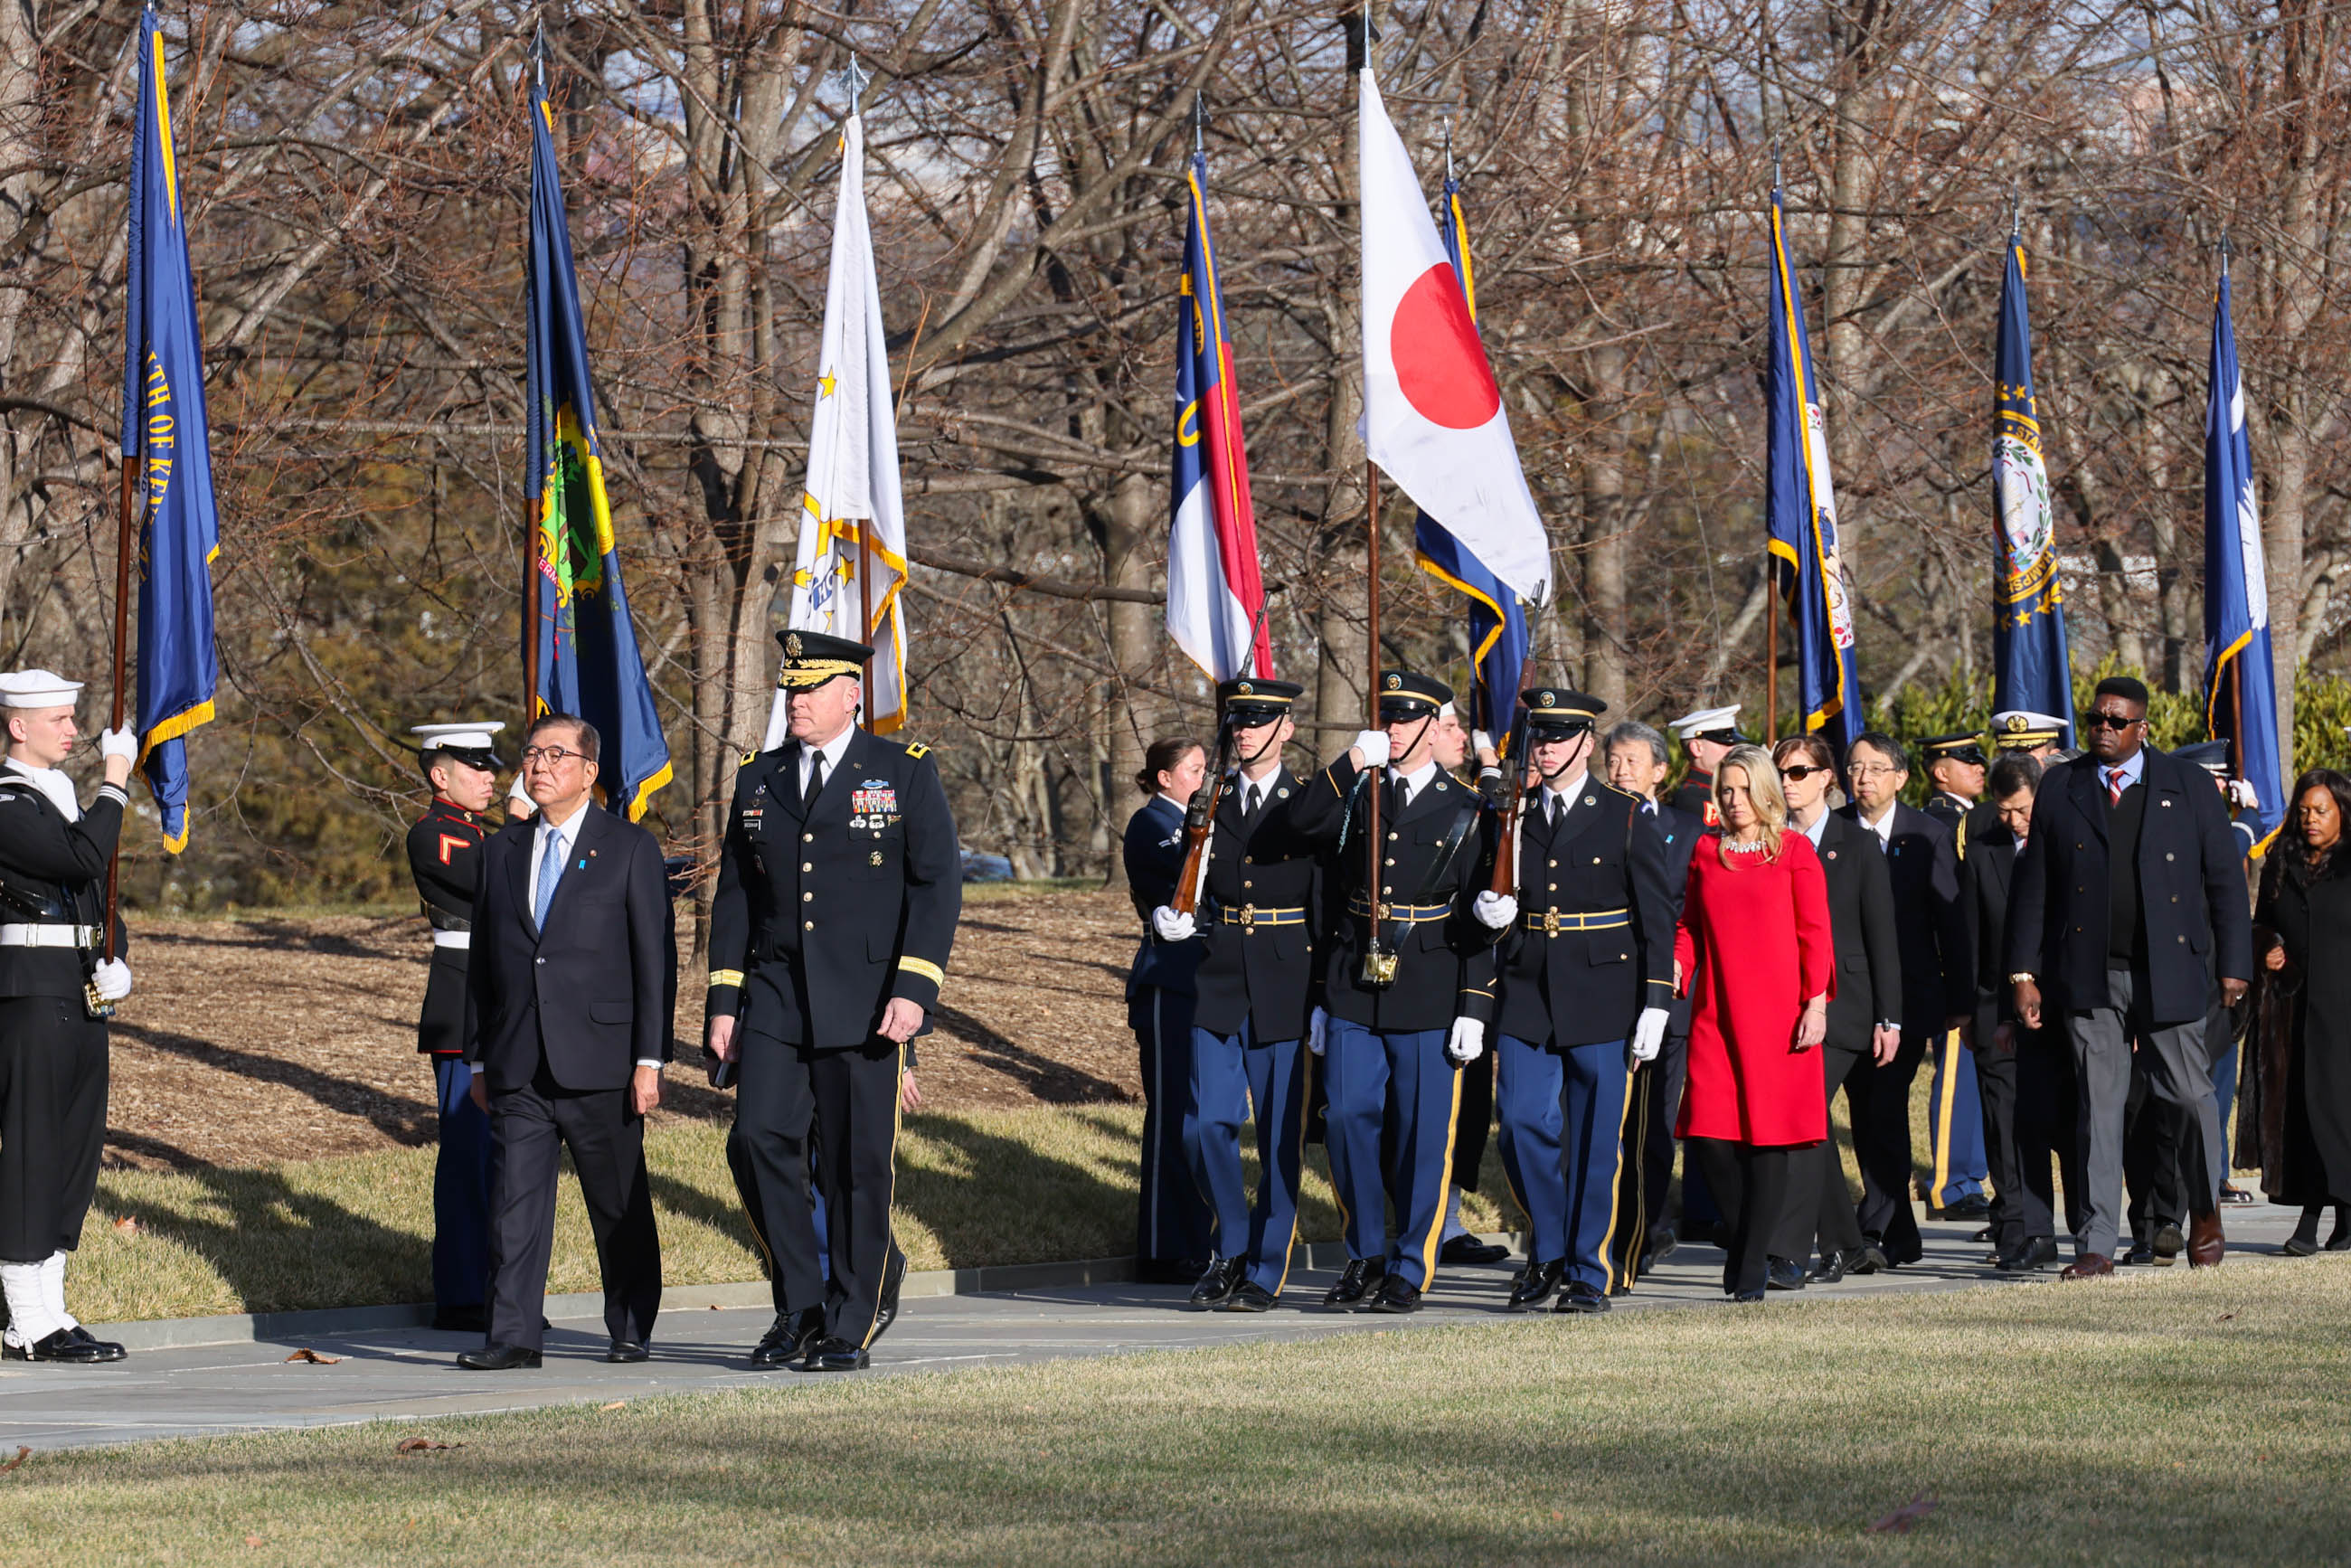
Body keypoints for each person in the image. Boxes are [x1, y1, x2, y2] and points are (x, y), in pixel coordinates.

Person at [707, 630, 958, 1371]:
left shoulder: (902, 770)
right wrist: (724, 999)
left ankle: (853, 1316)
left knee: (856, 1164)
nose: (797, 702)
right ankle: (801, 1304)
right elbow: (736, 895)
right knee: (757, 1140)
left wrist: (915, 990)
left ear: (852, 695)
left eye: (812, 689)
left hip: (868, 1000)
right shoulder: (759, 777)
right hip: (778, 997)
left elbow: (936, 886)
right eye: (791, 689)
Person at [2006, 675, 2253, 1278]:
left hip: (2170, 970)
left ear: (2142, 728)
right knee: (2099, 1106)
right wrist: (2023, 972)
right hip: (2090, 973)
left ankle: (2204, 1213)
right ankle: (2095, 1244)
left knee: (2189, 1096)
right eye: (2096, 719)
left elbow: (2225, 880)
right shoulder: (2063, 784)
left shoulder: (2186, 784)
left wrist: (2235, 967)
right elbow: (2036, 884)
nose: (2103, 729)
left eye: (2116, 721)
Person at [459, 713, 670, 1369]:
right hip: (518, 1061)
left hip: (603, 1062)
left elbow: (654, 961)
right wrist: (477, 1058)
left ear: (589, 771)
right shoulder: (500, 851)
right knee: (513, 1207)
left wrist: (649, 1059)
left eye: (557, 754)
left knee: (616, 1201)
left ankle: (630, 1325)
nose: (540, 765)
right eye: (532, 754)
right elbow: (483, 962)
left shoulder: (629, 847)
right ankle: (513, 1336)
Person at [1283, 670, 1496, 1314]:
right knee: (1346, 1118)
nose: (1393, 729)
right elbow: (1301, 825)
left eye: (1405, 720)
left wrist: (1475, 1005)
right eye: (1387, 718)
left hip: (1431, 985)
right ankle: (1365, 1253)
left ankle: (1410, 1265)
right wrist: (1351, 761)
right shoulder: (1358, 788)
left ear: (1434, 729)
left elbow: (1483, 916)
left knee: (1421, 1136)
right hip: (1353, 984)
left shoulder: (1468, 806)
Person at [1478, 689, 1674, 1315]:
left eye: (1561, 736)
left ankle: (1589, 1267)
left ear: (1587, 744)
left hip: (1603, 992)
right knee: (1520, 1125)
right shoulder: (1513, 812)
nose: (1547, 747)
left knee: (1594, 1140)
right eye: (1540, 736)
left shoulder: (1623, 813)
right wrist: (1489, 912)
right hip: (1528, 989)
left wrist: (1656, 1000)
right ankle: (1550, 1248)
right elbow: (1492, 890)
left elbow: (1656, 917)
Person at [1144, 681, 1320, 1311]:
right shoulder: (1209, 802)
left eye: (1260, 720)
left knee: (1276, 1136)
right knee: (1203, 1128)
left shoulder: (1307, 803)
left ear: (1286, 729)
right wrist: (1172, 916)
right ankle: (1232, 1245)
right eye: (1239, 721)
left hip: (1285, 980)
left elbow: (1324, 903)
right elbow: (1189, 883)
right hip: (1218, 977)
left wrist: (1325, 997)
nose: (1245, 731)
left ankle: (1265, 1269)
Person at [0, 672, 134, 1365]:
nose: (75, 731)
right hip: (30, 992)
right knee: (33, 1153)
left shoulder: (58, 797)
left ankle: (52, 1311)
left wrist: (118, 958)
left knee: (75, 1156)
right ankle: (26, 1321)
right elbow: (82, 858)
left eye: (73, 717)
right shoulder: (7, 800)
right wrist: (117, 782)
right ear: (18, 726)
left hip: (79, 991)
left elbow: (98, 891)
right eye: (59, 719)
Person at [1674, 745, 1834, 1300]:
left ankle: (1748, 1271)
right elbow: (1690, 925)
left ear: (1766, 791)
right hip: (1715, 1013)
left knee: (1768, 1141)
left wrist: (1816, 1004)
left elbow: (1816, 932)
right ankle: (1748, 1244)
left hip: (1778, 1016)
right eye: (1726, 790)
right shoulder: (1705, 850)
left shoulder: (1793, 851)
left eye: (1744, 789)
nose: (1734, 800)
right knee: (1710, 1137)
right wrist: (1679, 962)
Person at [1840, 732, 1978, 1259]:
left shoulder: (1928, 834)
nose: (1864, 779)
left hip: (1908, 999)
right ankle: (1899, 1233)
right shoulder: (1835, 831)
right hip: (1848, 998)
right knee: (1863, 1112)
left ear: (1900, 778)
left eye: (1876, 769)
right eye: (1855, 768)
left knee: (1886, 1107)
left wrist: (1959, 1002)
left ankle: (1872, 1227)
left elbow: (1951, 925)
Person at [1769, 733, 1900, 1286]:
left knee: (1802, 1120)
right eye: (1781, 772)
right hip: (1780, 1005)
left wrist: (1889, 1017)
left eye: (1799, 772)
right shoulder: (1768, 840)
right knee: (1808, 1124)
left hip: (1844, 1008)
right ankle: (1845, 1243)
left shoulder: (1857, 843)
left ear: (1827, 778)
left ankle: (1788, 1250)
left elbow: (1882, 935)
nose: (1787, 782)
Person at [404, 722, 506, 1335]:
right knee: (469, 1151)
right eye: (475, 766)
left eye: (490, 766)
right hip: (464, 999)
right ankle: (464, 1293)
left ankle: (501, 1291)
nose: (490, 777)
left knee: (504, 1154)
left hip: (500, 996)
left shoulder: (479, 834)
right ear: (440, 775)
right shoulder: (435, 834)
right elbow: (494, 880)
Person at [1962, 752, 2077, 1272]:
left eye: (2022, 809)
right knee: (2008, 1127)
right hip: (1998, 1009)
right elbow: (1971, 938)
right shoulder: (1982, 852)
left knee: (2069, 1125)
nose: (2013, 820)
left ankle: (2085, 1228)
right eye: (2003, 810)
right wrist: (1972, 1013)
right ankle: (2023, 1231)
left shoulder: (2066, 844)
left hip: (2063, 1007)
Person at [1603, 720, 1703, 1286]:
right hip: (1602, 991)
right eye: (1614, 760)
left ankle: (1641, 1233)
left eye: (1632, 762)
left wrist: (1677, 962)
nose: (1621, 772)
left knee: (1654, 1126)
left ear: (1659, 772)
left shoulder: (1687, 830)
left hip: (1667, 996)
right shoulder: (1590, 819)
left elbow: (1693, 910)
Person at [1119, 733, 1217, 1286]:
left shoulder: (1196, 822)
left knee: (1201, 1116)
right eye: (1193, 770)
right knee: (1171, 1115)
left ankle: (1199, 1238)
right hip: (1168, 982)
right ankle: (1162, 1247)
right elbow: (1181, 880)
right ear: (1165, 777)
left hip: (1205, 982)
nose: (1202, 780)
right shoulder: (1151, 823)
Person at [2251, 770, 2351, 1254]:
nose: (2311, 819)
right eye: (2305, 810)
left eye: (2322, 811)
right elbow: (2261, 923)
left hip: (2344, 1010)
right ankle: (2322, 1217)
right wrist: (2268, 946)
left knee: (2338, 1113)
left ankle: (2323, 1221)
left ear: (2342, 813)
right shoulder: (2282, 862)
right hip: (2294, 1011)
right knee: (2305, 1113)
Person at [1429, 703, 1510, 1269]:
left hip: (1467, 970)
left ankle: (1449, 1219)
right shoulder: (1378, 797)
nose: (1462, 736)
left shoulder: (1472, 799)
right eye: (1452, 727)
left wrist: (1490, 766)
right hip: (1406, 972)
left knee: (1467, 1106)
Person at [1666, 705, 1744, 825]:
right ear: (1697, 748)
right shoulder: (1690, 799)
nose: (1732, 749)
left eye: (1733, 743)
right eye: (1724, 743)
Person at [1919, 732, 1987, 828]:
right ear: (1942, 774)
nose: (1981, 769)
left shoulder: (1964, 814)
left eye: (1978, 763)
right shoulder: (1945, 820)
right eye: (1968, 764)